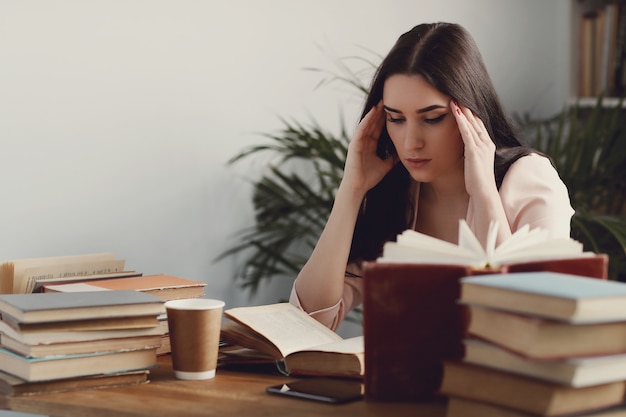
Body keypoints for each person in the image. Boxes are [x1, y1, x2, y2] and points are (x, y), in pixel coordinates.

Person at [289, 22, 574, 331]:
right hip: (406, 378)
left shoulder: (530, 180)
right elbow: (308, 320)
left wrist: (484, 193)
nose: (411, 142)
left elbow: (533, 324)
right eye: (395, 119)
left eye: (433, 118)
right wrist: (351, 190)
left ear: (471, 114)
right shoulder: (396, 191)